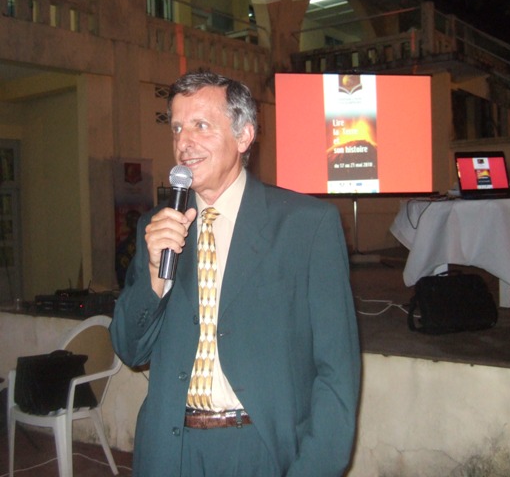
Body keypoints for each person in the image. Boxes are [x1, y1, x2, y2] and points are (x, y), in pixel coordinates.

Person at [110, 70, 361, 476]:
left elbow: (337, 372)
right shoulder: (157, 228)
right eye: (177, 128)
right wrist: (155, 274)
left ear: (244, 136)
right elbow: (129, 349)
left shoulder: (306, 226)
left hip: (260, 448)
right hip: (171, 450)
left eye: (201, 125)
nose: (184, 142)